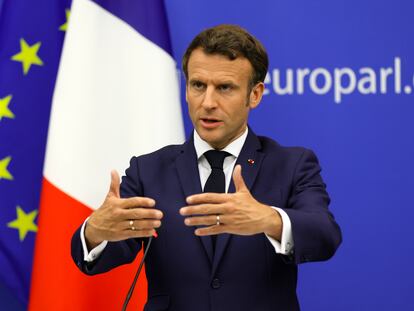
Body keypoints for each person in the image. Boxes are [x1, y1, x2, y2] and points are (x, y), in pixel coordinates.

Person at [71, 24, 342, 311]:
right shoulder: (148, 170)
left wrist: (268, 219)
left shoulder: (290, 164)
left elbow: (324, 235)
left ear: (255, 94)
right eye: (198, 85)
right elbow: (106, 252)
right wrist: (95, 232)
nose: (208, 102)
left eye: (225, 88)